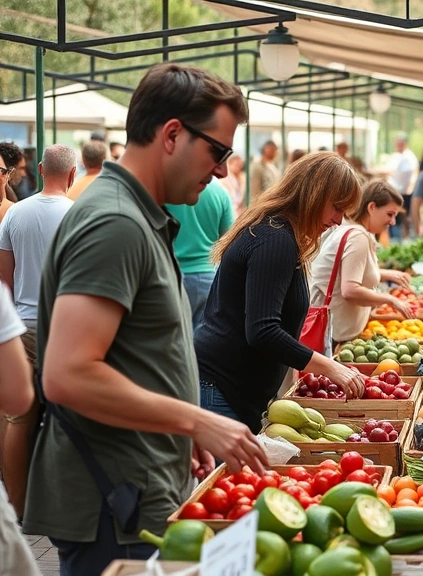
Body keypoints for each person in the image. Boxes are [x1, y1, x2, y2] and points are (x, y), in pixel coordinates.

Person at [23, 63, 269, 574]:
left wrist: (181, 434)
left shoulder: (135, 215)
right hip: (114, 502)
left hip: (135, 488)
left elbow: (134, 356)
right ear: (173, 134)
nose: (223, 170)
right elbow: (68, 374)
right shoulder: (115, 222)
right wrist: (197, 419)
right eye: (218, 152)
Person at [196, 152, 365, 433]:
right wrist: (329, 367)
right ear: (313, 194)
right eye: (337, 207)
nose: (338, 220)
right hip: (221, 390)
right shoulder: (275, 240)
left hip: (230, 390)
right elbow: (262, 330)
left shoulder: (277, 233)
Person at [0, 144, 75, 519]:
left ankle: (17, 508)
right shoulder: (80, 216)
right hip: (65, 329)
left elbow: (5, 280)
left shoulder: (14, 215)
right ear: (73, 174)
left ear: (41, 169)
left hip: (23, 325)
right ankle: (60, 506)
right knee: (65, 415)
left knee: (18, 418)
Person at [310, 181, 413, 345]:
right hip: (334, 335)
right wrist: (389, 299)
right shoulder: (358, 237)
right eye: (390, 214)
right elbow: (350, 290)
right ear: (371, 207)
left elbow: (345, 271)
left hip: (334, 331)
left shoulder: (349, 229)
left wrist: (385, 274)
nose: (393, 222)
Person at [0, 286, 41, 576]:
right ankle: (20, 509)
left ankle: (18, 506)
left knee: (16, 421)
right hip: (46, 323)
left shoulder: (7, 235)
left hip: (25, 319)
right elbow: (16, 395)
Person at [165, 181, 235, 333]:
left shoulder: (168, 191)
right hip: (208, 278)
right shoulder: (220, 192)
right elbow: (230, 239)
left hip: (172, 276)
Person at [387, 133, 420, 240]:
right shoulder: (395, 156)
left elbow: (415, 172)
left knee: (405, 216)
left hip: (405, 193)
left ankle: (406, 238)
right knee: (397, 217)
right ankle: (398, 238)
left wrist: (411, 187)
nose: (398, 145)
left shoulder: (409, 156)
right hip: (395, 192)